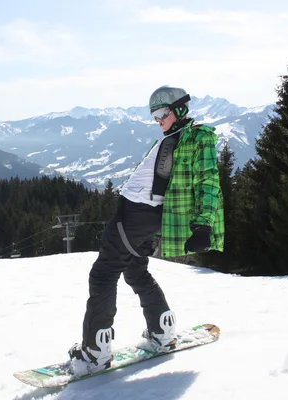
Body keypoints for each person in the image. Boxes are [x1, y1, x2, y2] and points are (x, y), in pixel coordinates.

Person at [68, 85, 225, 375]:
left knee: (104, 273)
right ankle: (162, 330)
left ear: (179, 109)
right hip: (142, 214)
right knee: (135, 269)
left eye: (162, 113)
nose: (158, 119)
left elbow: (208, 180)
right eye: (154, 115)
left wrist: (203, 225)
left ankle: (94, 351)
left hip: (136, 215)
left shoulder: (195, 137)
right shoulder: (177, 138)